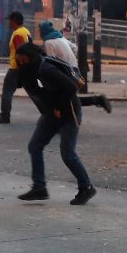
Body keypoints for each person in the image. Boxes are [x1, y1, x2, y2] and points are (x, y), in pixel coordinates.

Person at [14, 43, 97, 205]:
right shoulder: (32, 70)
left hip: (68, 112)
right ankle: (39, 188)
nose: (21, 63)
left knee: (67, 153)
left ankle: (86, 187)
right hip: (51, 114)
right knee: (35, 146)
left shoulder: (46, 69)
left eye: (23, 60)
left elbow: (71, 87)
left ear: (30, 56)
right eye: (19, 61)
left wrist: (58, 107)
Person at [38, 20, 112, 113]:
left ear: (44, 31)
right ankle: (97, 100)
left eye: (40, 31)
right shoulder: (61, 38)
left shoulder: (48, 42)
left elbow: (51, 61)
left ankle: (95, 101)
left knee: (66, 98)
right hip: (74, 69)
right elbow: (74, 48)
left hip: (65, 72)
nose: (40, 33)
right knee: (69, 97)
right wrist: (69, 58)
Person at [0, 11, 31, 124]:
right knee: (34, 93)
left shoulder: (18, 33)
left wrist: (20, 66)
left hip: (16, 68)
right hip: (25, 68)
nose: (8, 23)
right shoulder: (26, 31)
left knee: (7, 92)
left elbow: (20, 51)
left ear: (14, 21)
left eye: (9, 20)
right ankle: (49, 114)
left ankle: (5, 116)